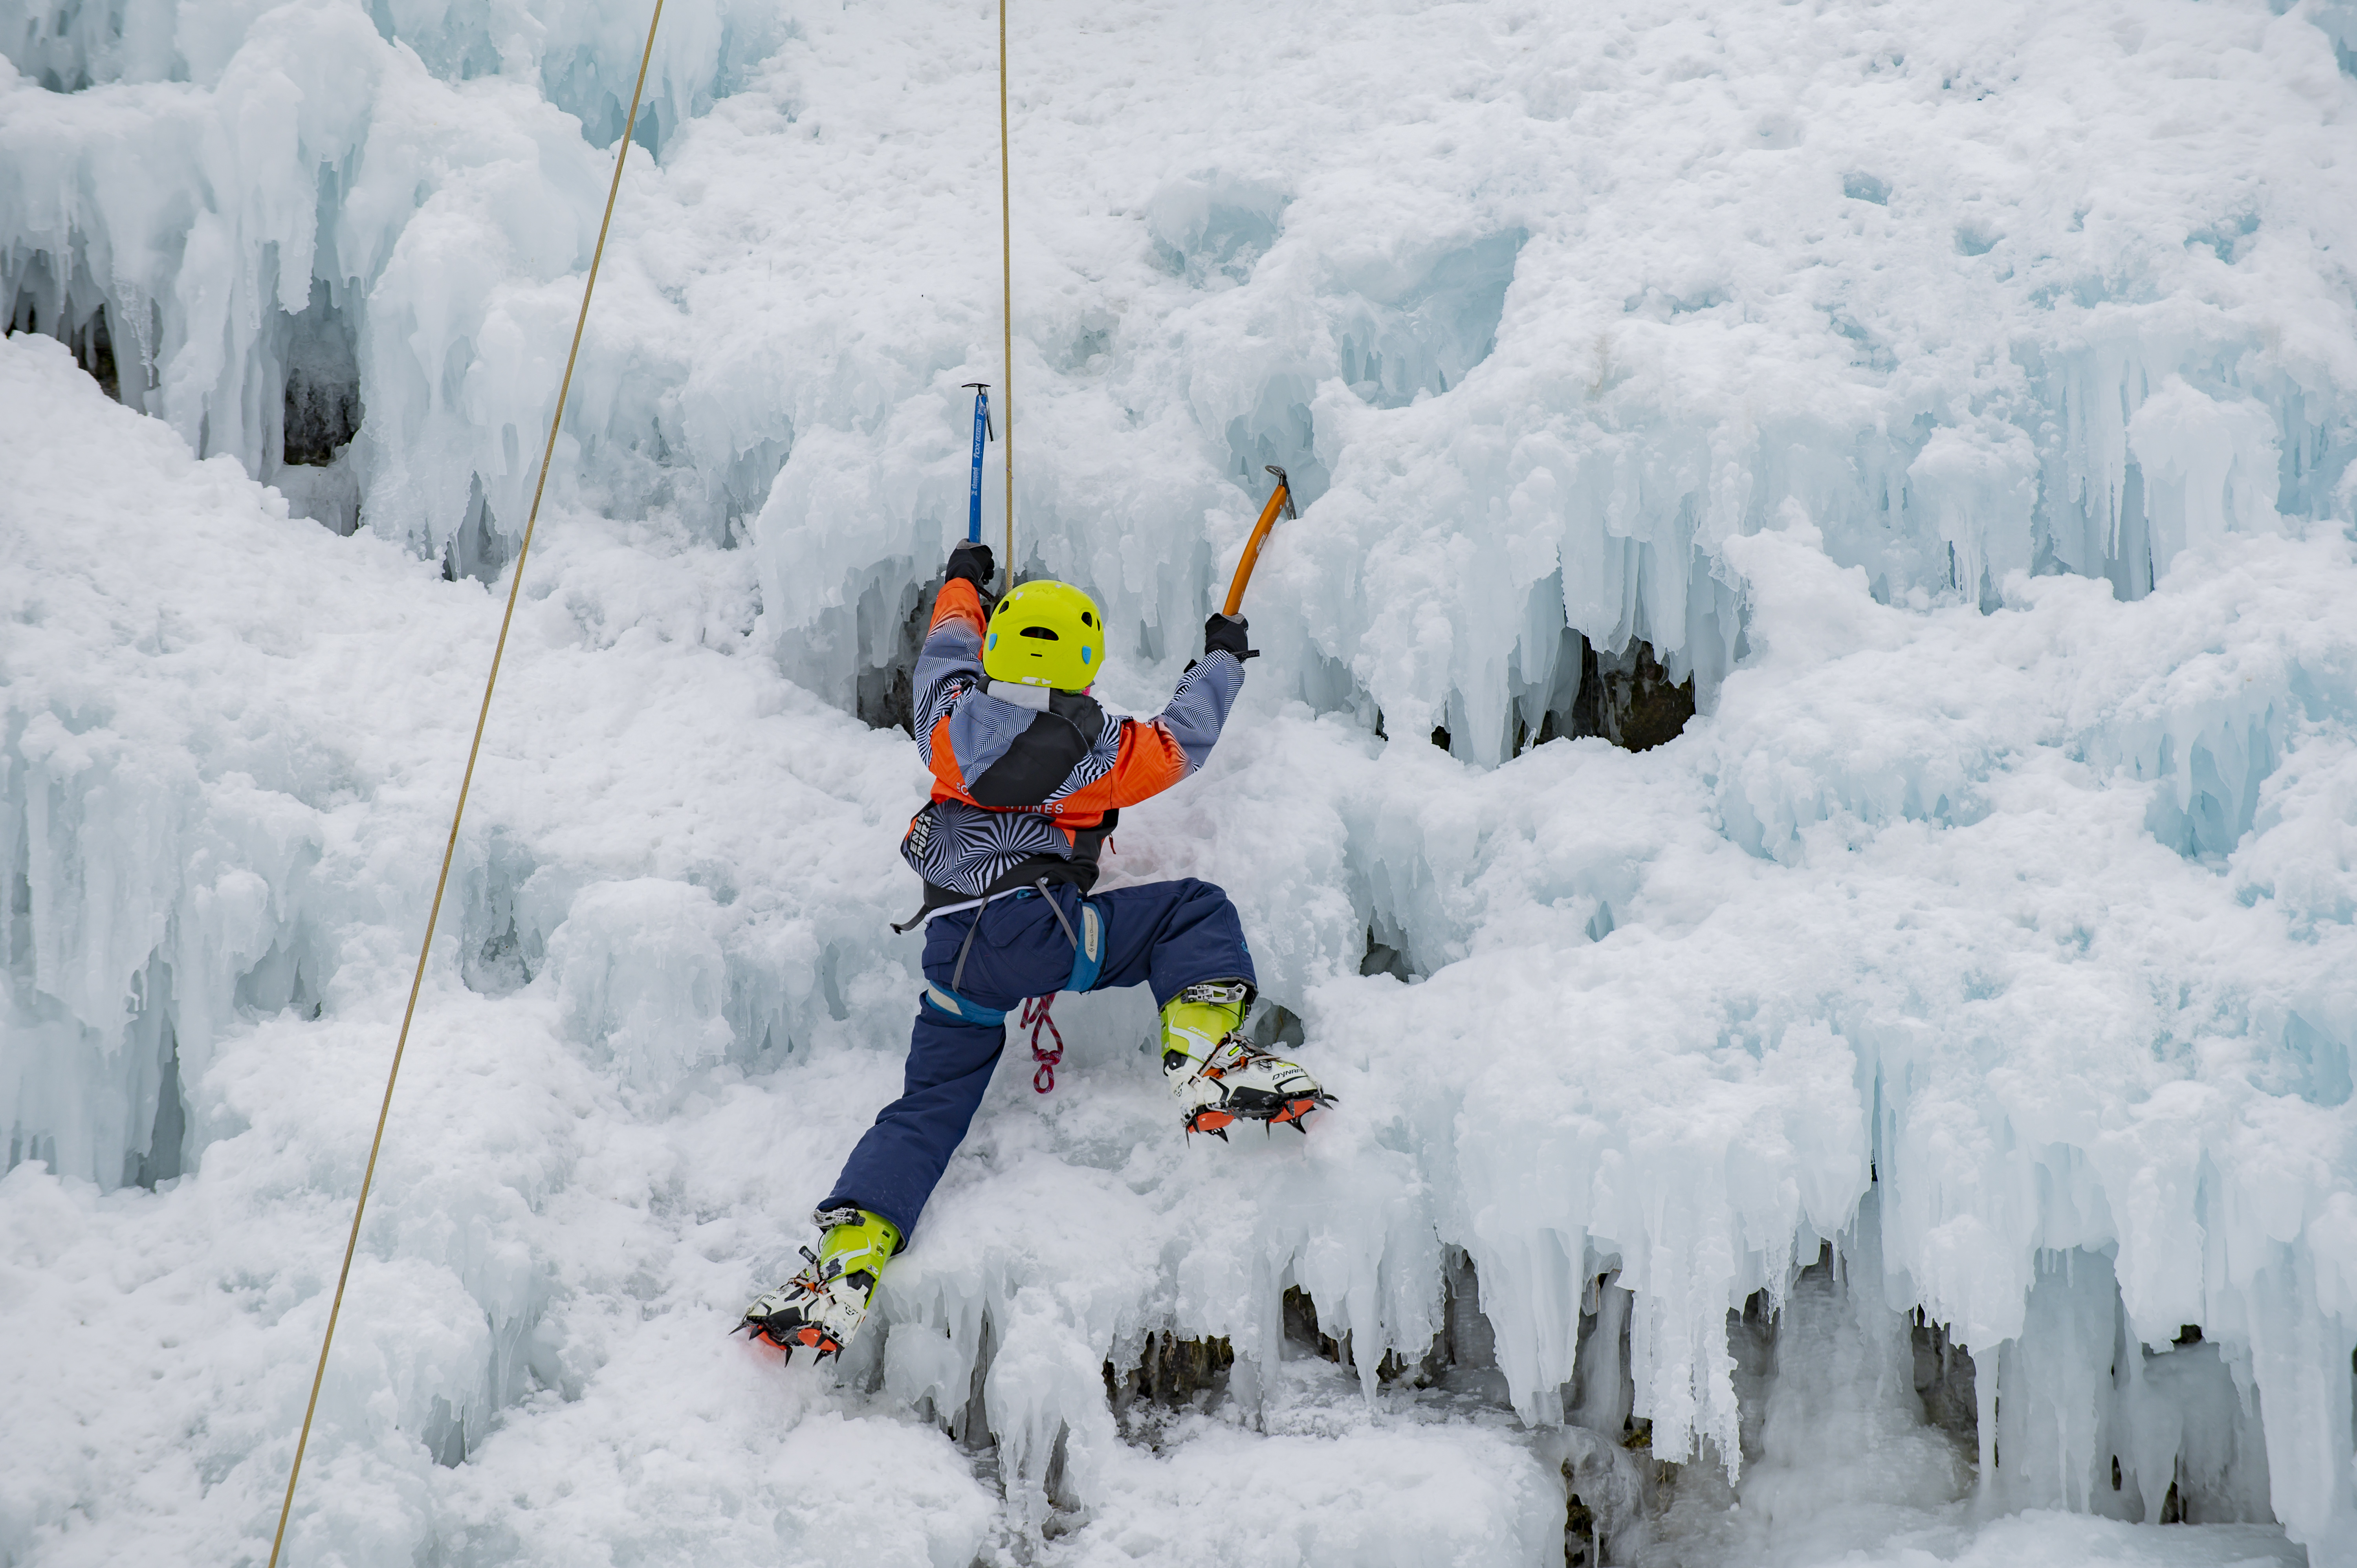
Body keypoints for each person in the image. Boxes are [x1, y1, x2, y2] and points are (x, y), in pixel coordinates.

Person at [741, 540, 1331, 1356]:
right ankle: (1201, 1052)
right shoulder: (1101, 750)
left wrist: (962, 582)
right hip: (1040, 931)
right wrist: (1222, 658)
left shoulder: (944, 717)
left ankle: (851, 1253)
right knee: (1194, 914)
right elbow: (1185, 737)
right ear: (1086, 665)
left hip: (954, 953)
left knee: (926, 1106)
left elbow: (947, 645)